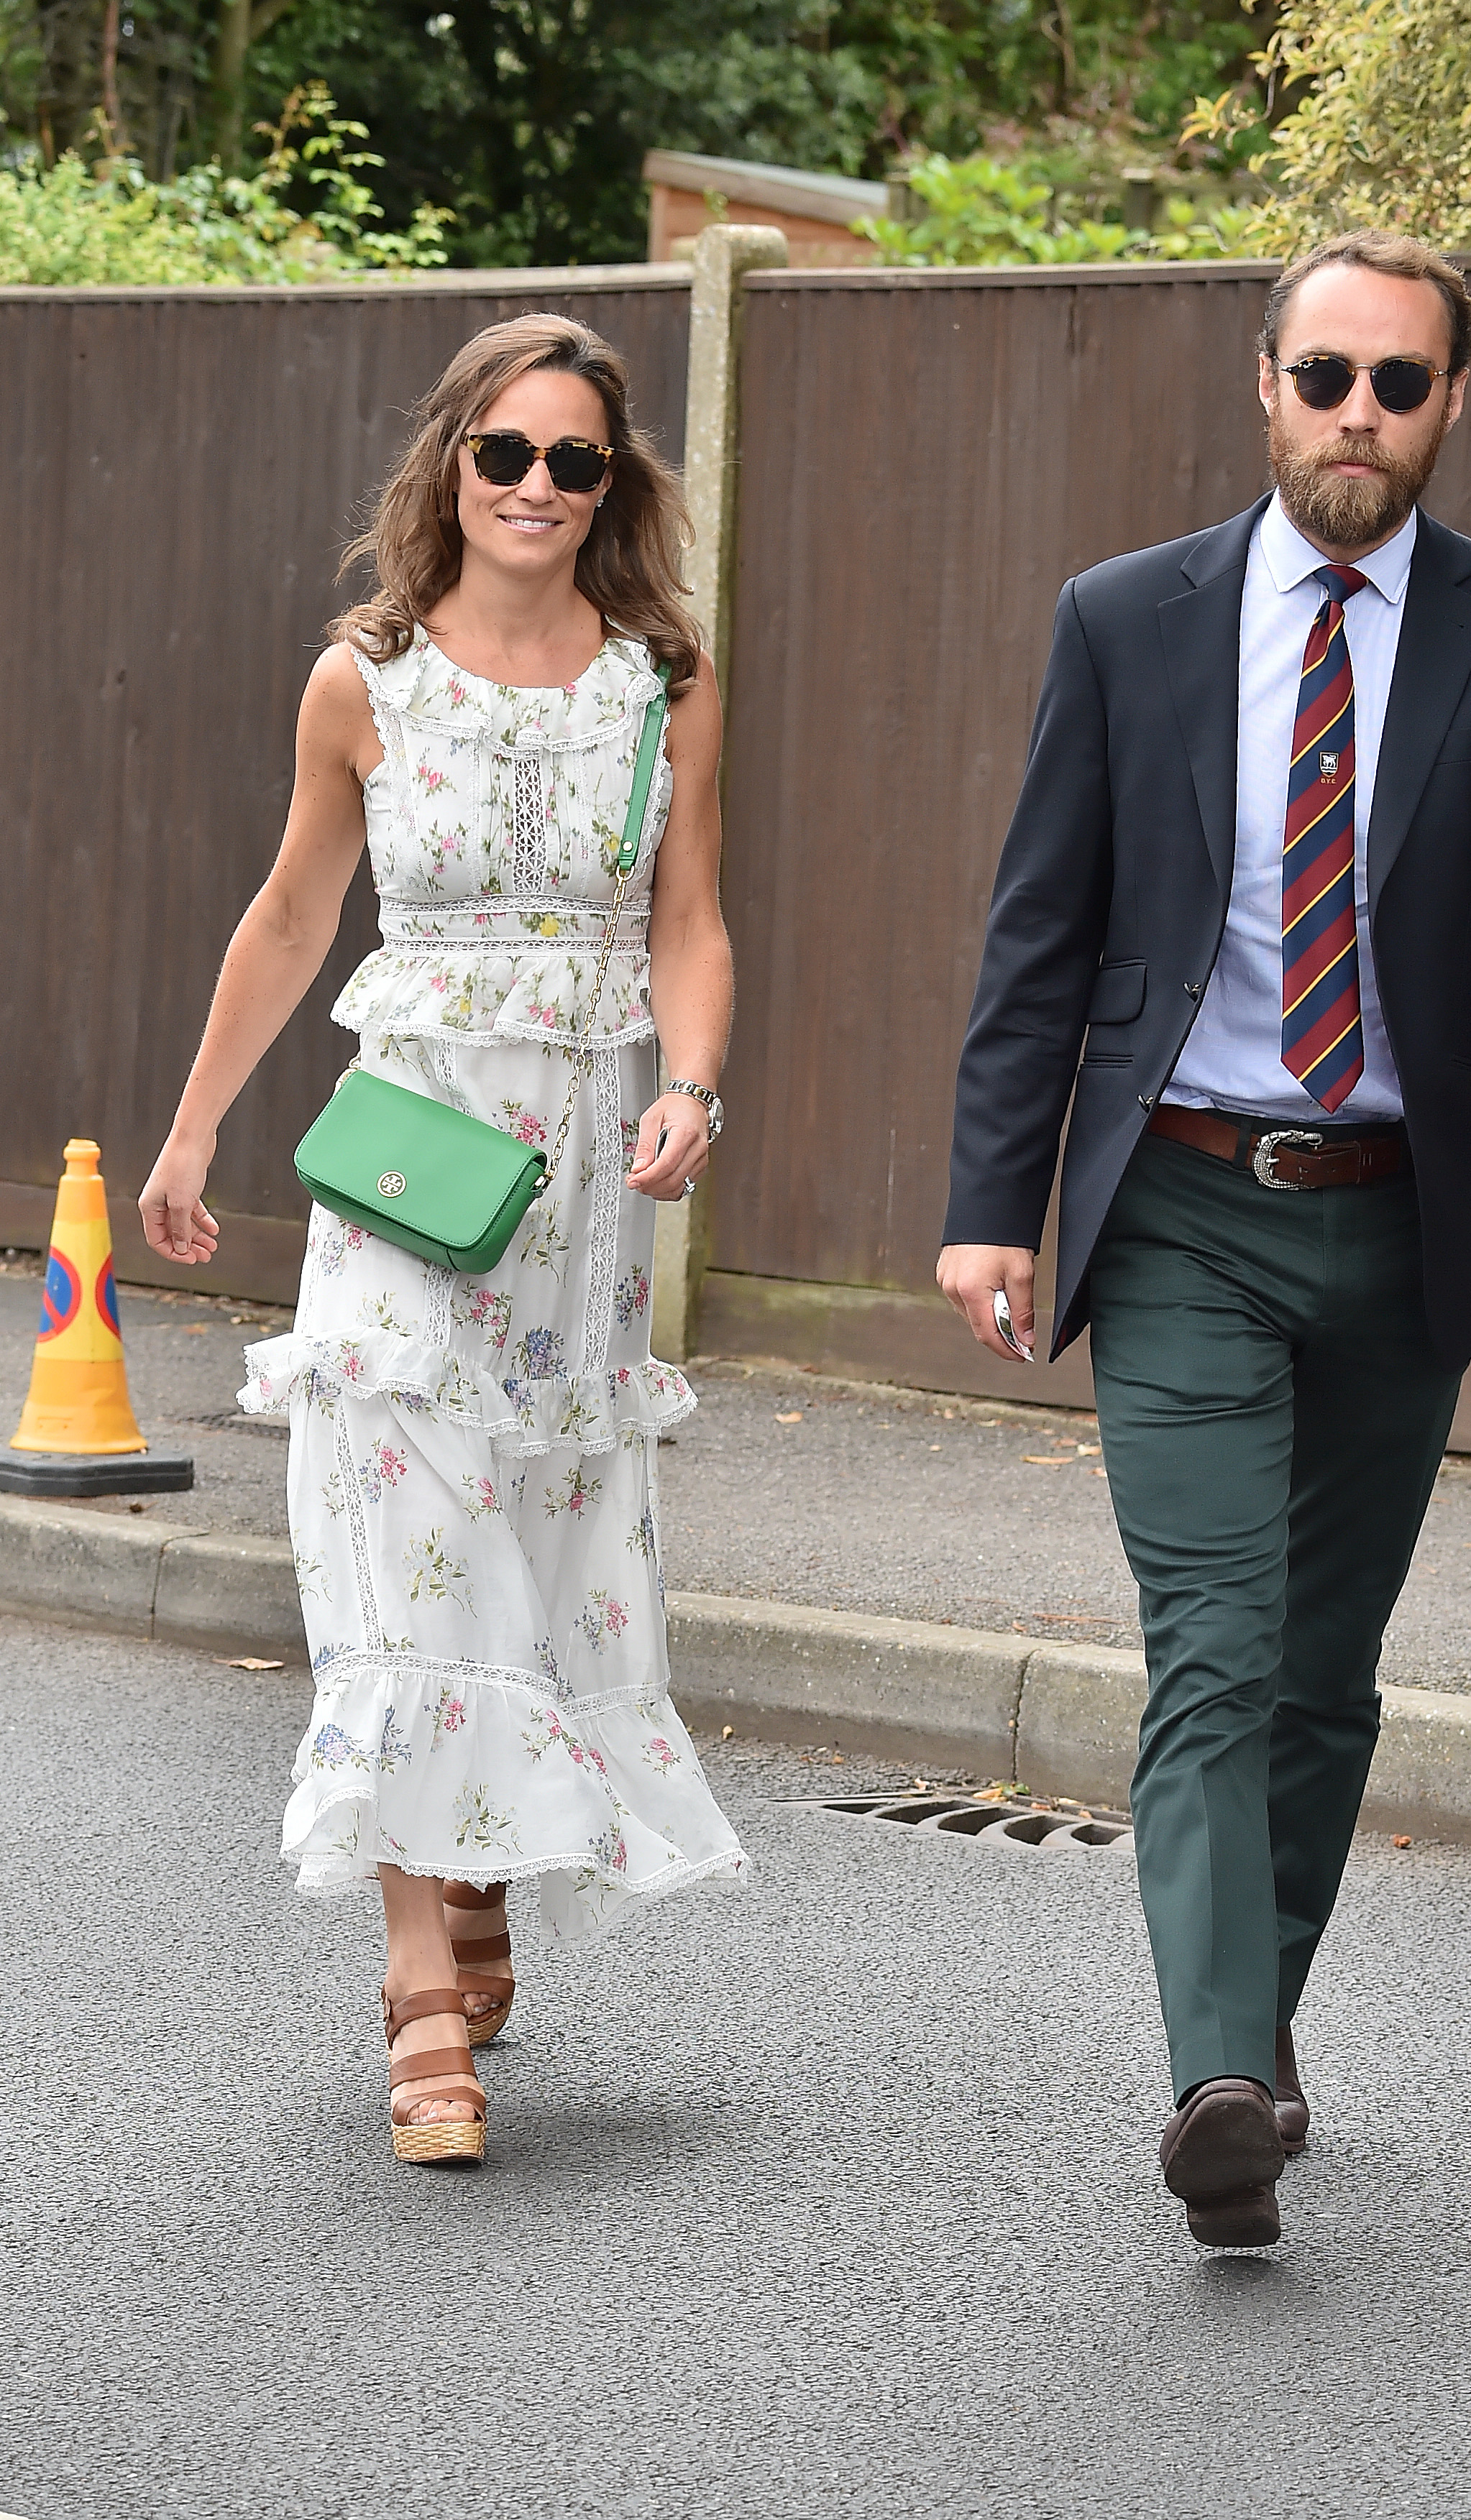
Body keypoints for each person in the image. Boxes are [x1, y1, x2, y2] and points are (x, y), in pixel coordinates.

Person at [938, 232, 1471, 2248]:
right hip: (1179, 1205)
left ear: (1449, 404)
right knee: (1218, 1649)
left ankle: (1254, 2028)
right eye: (1324, 374)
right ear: (1264, 384)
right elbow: (1040, 926)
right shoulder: (1128, 619)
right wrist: (991, 1204)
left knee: (1325, 1677)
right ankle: (1218, 2082)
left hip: (1400, 1223)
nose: (1358, 414)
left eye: (1397, 383)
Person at [140, 313, 745, 2165]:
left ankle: (476, 1862)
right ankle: (422, 1997)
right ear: (453, 467)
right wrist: (194, 1124)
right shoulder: (366, 683)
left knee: (531, 1526)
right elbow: (291, 910)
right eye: (507, 454)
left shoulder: (662, 683)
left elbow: (693, 920)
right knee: (403, 1530)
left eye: (575, 462)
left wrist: (692, 1084)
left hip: (582, 1180)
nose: (537, 488)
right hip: (408, 1165)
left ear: (612, 487)